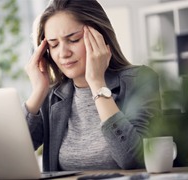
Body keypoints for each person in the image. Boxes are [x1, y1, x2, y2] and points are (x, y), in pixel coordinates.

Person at [23, 0, 161, 171]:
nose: (63, 53)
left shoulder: (139, 79)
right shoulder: (53, 96)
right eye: (54, 44)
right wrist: (38, 91)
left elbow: (134, 159)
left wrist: (97, 83)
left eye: (73, 40)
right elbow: (12, 154)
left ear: (100, 37)